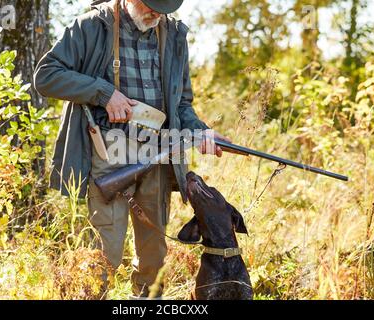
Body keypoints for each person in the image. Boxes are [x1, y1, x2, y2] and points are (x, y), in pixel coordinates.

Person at [33, 0, 230, 298]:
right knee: (104, 254)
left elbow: (181, 104)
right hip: (108, 156)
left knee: (154, 258)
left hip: (159, 155)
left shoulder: (174, 33)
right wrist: (104, 94)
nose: (157, 13)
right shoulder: (90, 26)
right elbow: (46, 76)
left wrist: (200, 131)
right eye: (151, 4)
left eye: (163, 7)